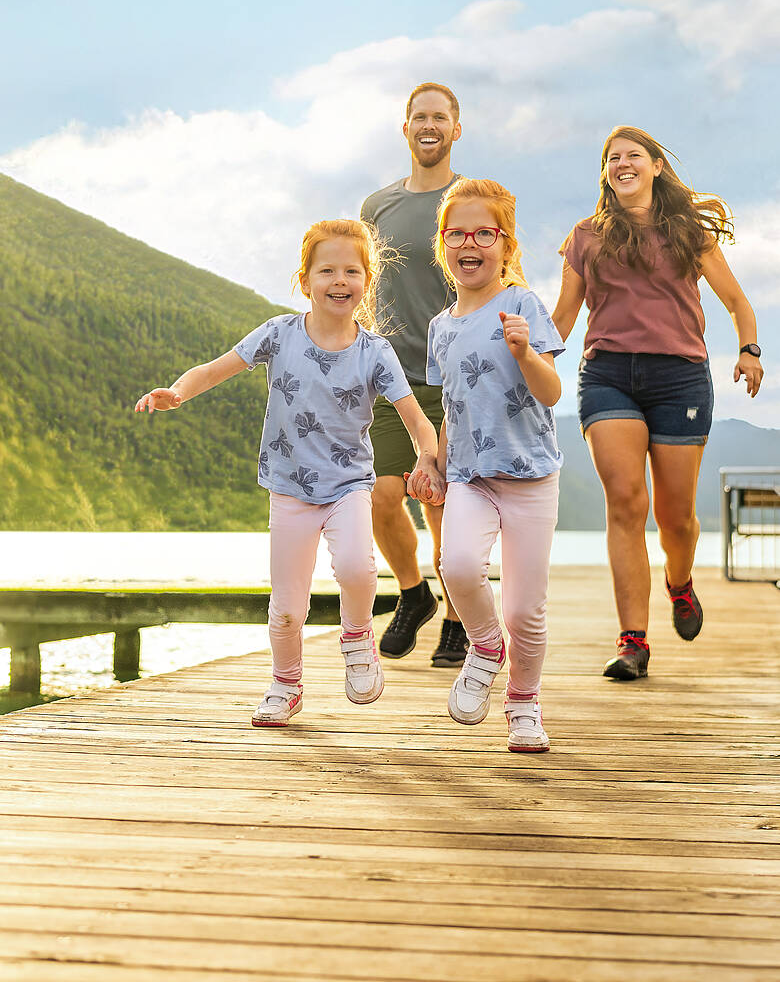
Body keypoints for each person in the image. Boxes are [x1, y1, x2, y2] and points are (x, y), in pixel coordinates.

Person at [135, 218, 443, 726]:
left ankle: (357, 637)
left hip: (348, 484)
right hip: (290, 490)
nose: (339, 281)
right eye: (327, 271)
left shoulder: (375, 352)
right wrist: (179, 392)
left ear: (366, 281)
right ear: (304, 281)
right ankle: (286, 684)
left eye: (351, 270)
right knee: (285, 606)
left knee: (358, 569)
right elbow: (214, 369)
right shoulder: (278, 334)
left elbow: (416, 421)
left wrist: (428, 459)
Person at [552, 126, 764, 681]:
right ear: (606, 174)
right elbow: (564, 319)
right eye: (612, 158)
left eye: (633, 156)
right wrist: (523, 356)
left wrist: (749, 350)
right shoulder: (586, 236)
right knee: (625, 502)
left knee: (678, 519)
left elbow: (739, 302)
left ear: (655, 168)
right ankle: (633, 642)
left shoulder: (689, 231)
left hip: (681, 379)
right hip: (608, 375)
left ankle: (681, 581)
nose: (622, 163)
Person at [410, 177, 564, 753]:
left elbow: (549, 394)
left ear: (505, 244)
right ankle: (484, 645)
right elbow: (455, 406)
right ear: (443, 245)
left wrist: (525, 351)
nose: (469, 242)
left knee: (526, 607)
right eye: (457, 233)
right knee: (457, 566)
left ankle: (524, 703)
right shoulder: (440, 327)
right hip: (472, 477)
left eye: (484, 233)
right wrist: (434, 462)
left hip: (530, 477)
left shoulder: (521, 304)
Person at [361, 82, 468, 667]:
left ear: (456, 129)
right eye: (419, 117)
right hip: (389, 375)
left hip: (453, 376)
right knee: (381, 496)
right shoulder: (376, 207)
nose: (429, 126)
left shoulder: (472, 199)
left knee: (443, 501)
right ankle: (413, 593)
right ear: (406, 130)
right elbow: (367, 287)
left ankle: (458, 617)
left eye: (440, 117)